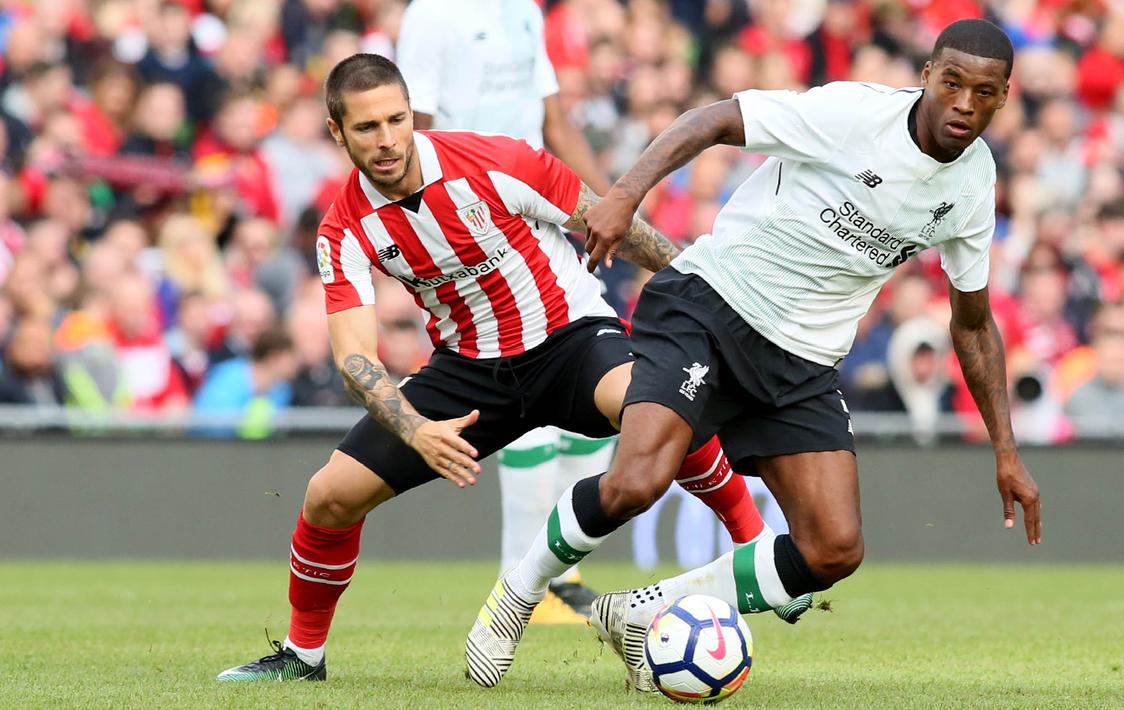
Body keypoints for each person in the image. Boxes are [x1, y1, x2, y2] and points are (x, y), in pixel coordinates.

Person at [467, 19, 1043, 692]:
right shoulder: (852, 114)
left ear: (1005, 96)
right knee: (635, 483)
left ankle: (641, 611)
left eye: (983, 92)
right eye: (951, 84)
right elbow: (714, 119)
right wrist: (624, 194)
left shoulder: (972, 184)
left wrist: (1005, 448)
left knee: (832, 548)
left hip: (802, 362)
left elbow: (972, 325)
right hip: (710, 307)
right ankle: (514, 599)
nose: (964, 105)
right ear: (924, 77)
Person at [216, 54, 795, 684]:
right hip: (469, 372)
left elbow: (610, 225)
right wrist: (415, 429)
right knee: (329, 496)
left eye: (396, 120)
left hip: (571, 338)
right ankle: (303, 658)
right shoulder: (344, 229)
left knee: (650, 404)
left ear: (412, 114)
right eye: (366, 128)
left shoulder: (495, 160)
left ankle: (753, 539)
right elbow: (354, 355)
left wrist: (698, 285)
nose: (386, 141)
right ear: (336, 132)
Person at [396, 0, 624, 621]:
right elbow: (410, 131)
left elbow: (552, 120)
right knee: (539, 389)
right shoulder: (432, 17)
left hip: (540, 205)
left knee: (598, 386)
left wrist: (611, 204)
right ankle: (520, 582)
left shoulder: (523, 8)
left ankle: (562, 574)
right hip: (476, 220)